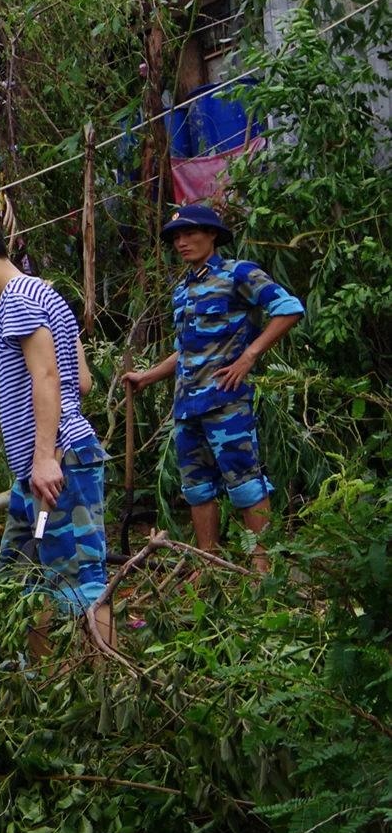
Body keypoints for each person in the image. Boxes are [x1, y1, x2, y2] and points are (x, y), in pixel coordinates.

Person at [0, 208, 108, 656]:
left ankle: (106, 690)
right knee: (20, 577)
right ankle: (37, 683)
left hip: (57, 465)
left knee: (81, 580)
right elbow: (80, 381)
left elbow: (48, 377)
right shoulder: (40, 295)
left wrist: (45, 458)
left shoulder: (19, 299)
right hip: (41, 473)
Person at [121, 205, 303, 569]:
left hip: (226, 402)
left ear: (213, 235)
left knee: (246, 484)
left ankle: (261, 573)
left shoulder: (239, 274)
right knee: (197, 488)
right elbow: (187, 352)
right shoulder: (183, 290)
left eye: (190, 234)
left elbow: (289, 308)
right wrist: (149, 376)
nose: (182, 242)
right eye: (176, 238)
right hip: (187, 408)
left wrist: (249, 356)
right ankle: (209, 569)